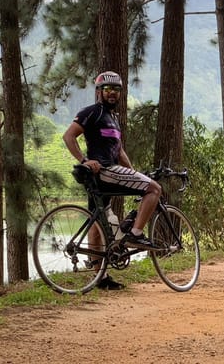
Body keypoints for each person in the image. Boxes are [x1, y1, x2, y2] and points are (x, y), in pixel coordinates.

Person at [62, 70, 162, 290]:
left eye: (116, 89)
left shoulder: (114, 119)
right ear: (99, 92)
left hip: (106, 173)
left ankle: (100, 277)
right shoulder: (92, 112)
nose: (112, 93)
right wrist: (84, 160)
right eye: (107, 89)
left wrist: (134, 174)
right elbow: (68, 136)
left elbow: (119, 151)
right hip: (104, 170)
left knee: (96, 224)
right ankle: (136, 234)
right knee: (154, 189)